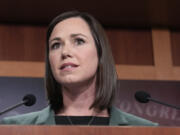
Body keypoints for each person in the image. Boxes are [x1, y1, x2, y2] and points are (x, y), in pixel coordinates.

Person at [0, 11, 158, 126]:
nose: (65, 52)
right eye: (56, 45)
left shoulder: (145, 130)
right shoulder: (15, 128)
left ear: (100, 52)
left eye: (79, 41)